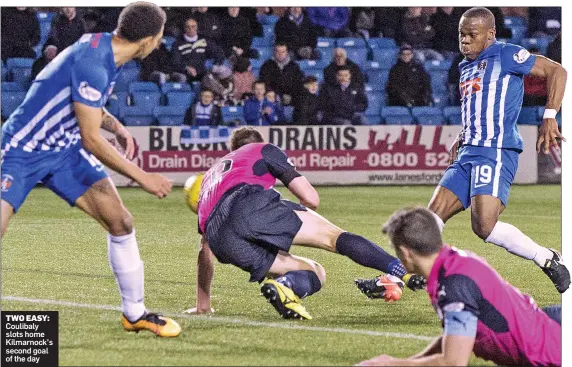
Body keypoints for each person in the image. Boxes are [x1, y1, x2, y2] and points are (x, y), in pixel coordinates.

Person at [359, 7, 570, 296]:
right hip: (469, 151)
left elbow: (556, 70)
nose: (465, 41)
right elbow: (477, 106)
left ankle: (546, 257)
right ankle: (393, 279)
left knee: (484, 226)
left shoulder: (507, 54)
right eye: (462, 34)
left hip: (495, 150)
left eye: (472, 35)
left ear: (490, 34)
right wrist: (462, 135)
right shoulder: (465, 65)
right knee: (429, 220)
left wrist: (549, 116)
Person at [1, 2, 181, 337]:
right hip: (21, 149)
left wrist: (118, 127)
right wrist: (143, 177)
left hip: (63, 149)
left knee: (121, 221)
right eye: (158, 38)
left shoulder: (103, 48)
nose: (158, 43)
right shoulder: (94, 62)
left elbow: (89, 108)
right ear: (147, 41)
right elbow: (91, 140)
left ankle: (135, 313)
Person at [183, 127, 425, 319]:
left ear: (231, 149)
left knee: (314, 272)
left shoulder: (209, 178)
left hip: (221, 238)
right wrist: (290, 218)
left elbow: (205, 251)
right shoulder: (263, 149)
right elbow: (311, 198)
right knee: (333, 237)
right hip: (251, 204)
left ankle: (287, 286)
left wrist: (203, 305)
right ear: (258, 141)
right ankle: (399, 271)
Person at [356, 207, 561, 366]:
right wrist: (412, 360)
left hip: (554, 350)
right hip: (548, 332)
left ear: (405, 252)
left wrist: (392, 364)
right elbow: (456, 336)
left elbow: (453, 362)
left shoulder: (453, 285)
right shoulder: (451, 262)